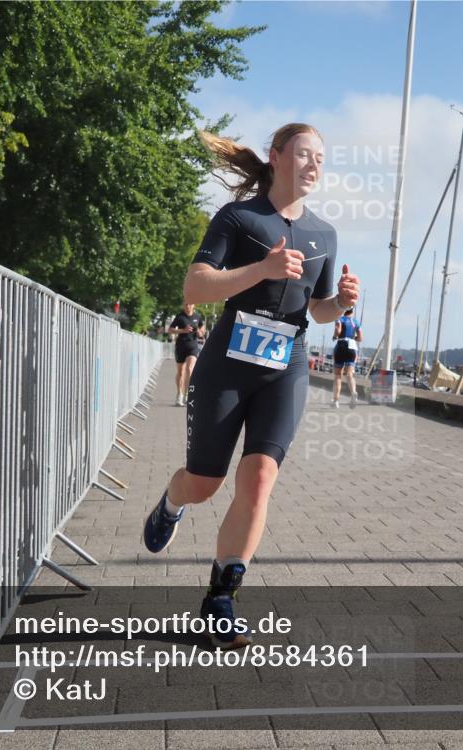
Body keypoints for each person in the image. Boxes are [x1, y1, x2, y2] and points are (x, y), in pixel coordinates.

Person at [141, 124, 360, 649]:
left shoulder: (324, 235)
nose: (314, 165)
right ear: (277, 156)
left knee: (259, 478)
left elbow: (317, 309)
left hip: (287, 364)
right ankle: (172, 500)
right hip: (227, 362)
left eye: (322, 159)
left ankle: (222, 596)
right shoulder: (239, 217)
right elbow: (195, 286)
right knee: (205, 483)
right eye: (305, 154)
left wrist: (343, 304)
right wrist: (260, 268)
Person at [168, 303, 206, 406]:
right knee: (181, 373)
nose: (188, 306)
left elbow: (203, 330)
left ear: (194, 306)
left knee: (190, 369)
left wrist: (199, 332)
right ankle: (179, 394)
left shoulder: (197, 316)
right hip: (181, 346)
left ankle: (187, 394)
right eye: (186, 304)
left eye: (190, 304)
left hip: (193, 346)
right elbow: (170, 329)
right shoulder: (180, 316)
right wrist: (183, 330)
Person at [331, 307, 362, 408]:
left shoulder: (340, 319)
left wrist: (335, 336)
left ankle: (336, 401)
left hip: (341, 345)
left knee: (338, 375)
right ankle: (353, 392)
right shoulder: (356, 322)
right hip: (352, 346)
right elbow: (361, 338)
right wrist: (354, 338)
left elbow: (338, 329)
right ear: (352, 311)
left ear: (344, 310)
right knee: (350, 374)